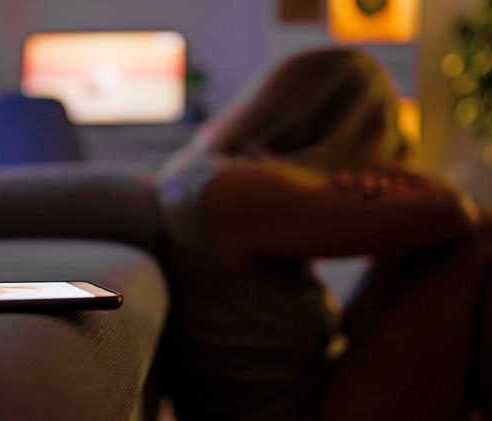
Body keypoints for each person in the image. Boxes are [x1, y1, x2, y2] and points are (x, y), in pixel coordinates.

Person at [156, 47, 492, 420]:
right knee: (479, 237)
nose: (397, 158)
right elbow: (453, 213)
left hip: (308, 400)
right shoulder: (240, 191)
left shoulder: (217, 179)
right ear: (355, 130)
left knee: (420, 245)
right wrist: (399, 181)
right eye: (391, 138)